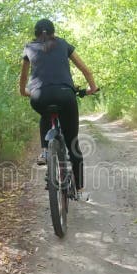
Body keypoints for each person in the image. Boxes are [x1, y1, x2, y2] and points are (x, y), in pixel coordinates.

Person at [19, 18, 98, 200]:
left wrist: (24, 92)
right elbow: (86, 70)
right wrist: (92, 88)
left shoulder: (29, 48)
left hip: (39, 96)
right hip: (65, 95)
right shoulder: (63, 44)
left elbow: (23, 77)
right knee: (73, 145)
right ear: (53, 32)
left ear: (36, 33)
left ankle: (46, 150)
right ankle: (79, 190)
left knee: (46, 112)